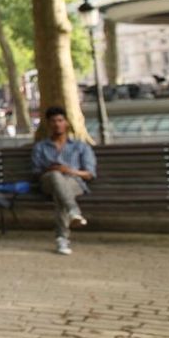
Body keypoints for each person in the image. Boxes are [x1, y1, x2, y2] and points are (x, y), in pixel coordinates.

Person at [31, 106, 97, 255]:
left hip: (75, 182)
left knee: (60, 193)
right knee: (55, 177)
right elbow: (35, 173)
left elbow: (89, 174)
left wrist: (68, 171)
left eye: (60, 120)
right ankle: (73, 211)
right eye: (53, 121)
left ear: (66, 123)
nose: (57, 124)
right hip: (48, 182)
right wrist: (52, 169)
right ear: (48, 124)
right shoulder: (40, 147)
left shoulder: (81, 146)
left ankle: (62, 239)